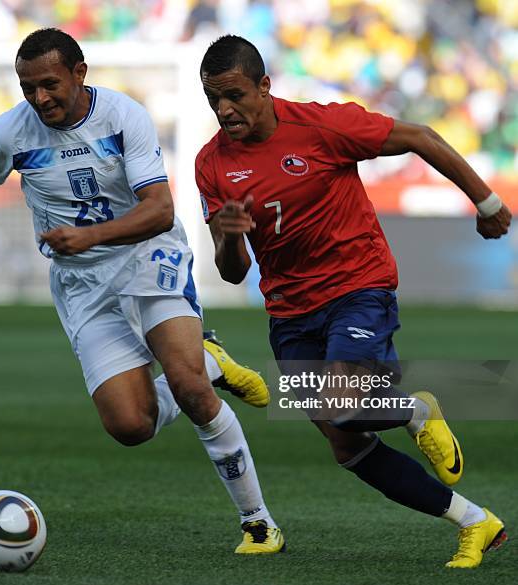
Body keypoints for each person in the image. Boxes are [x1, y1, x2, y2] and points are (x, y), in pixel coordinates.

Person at [0, 28, 285, 554]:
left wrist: (88, 236)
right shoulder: (9, 131)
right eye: (27, 87)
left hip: (150, 258)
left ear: (80, 73)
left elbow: (160, 210)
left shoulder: (124, 117)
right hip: (81, 285)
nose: (39, 98)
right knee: (129, 425)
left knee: (189, 391)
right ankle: (211, 361)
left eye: (49, 84)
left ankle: (258, 522)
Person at [196, 35, 511, 568]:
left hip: (356, 287)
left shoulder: (322, 126)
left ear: (265, 86)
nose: (224, 110)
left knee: (342, 402)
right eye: (213, 100)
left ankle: (415, 409)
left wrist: (487, 201)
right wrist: (227, 236)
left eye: (234, 95)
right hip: (289, 311)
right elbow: (233, 273)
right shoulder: (212, 163)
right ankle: (475, 522)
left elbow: (420, 136)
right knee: (347, 445)